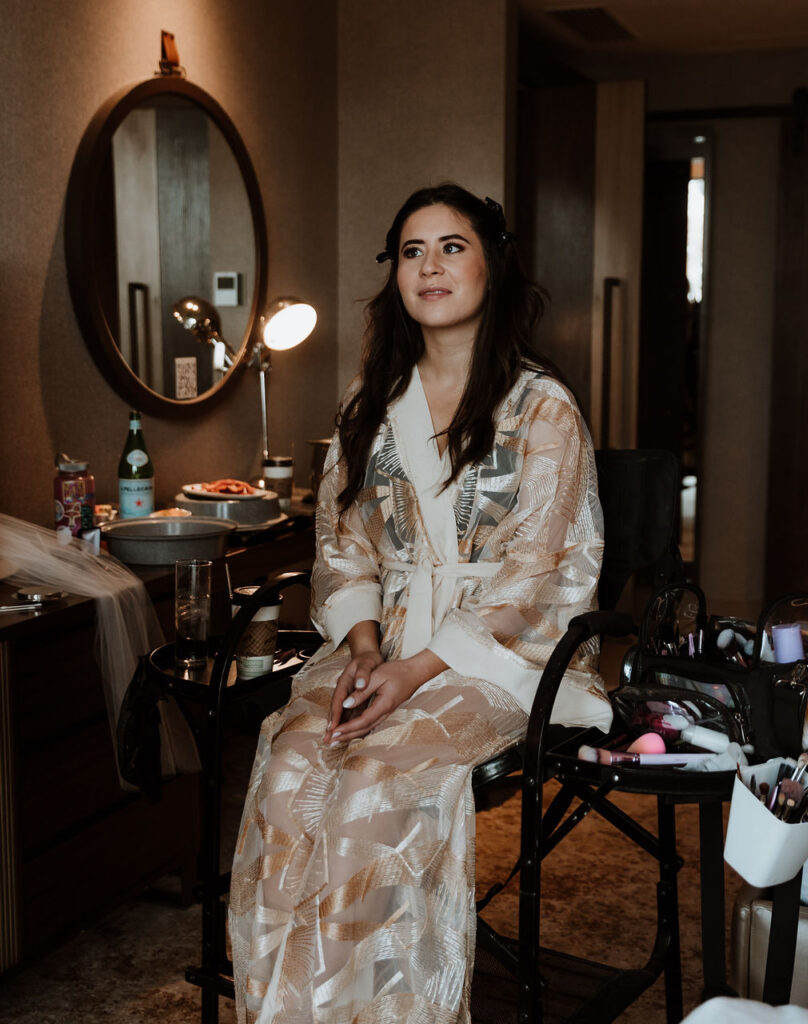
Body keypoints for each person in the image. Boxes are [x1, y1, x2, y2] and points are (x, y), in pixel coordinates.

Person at [229, 183, 611, 1023]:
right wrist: (366, 649)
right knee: (292, 770)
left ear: (491, 266)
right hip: (386, 638)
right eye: (411, 251)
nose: (429, 266)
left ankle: (380, 1011)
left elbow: (538, 567)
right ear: (394, 275)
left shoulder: (541, 407)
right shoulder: (372, 403)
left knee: (372, 780)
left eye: (450, 246)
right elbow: (342, 545)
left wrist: (417, 672)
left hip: (504, 652)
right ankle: (291, 1009)